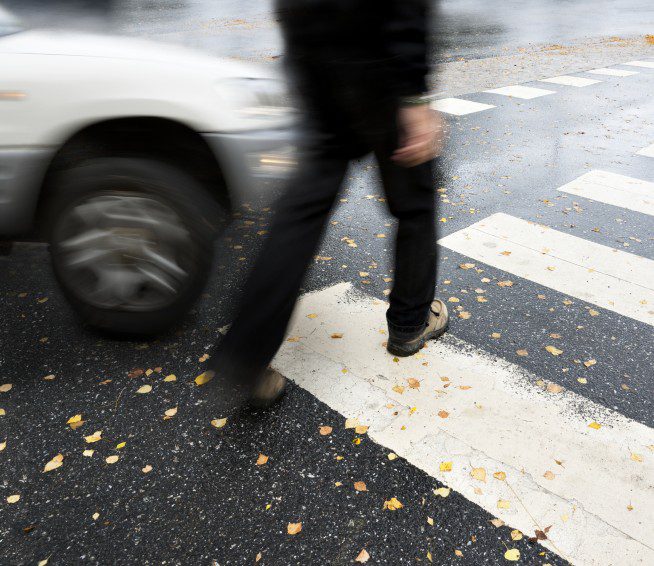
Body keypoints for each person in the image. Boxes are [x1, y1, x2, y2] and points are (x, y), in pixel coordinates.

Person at [208, 0, 448, 407]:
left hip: (314, 55)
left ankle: (245, 356)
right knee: (415, 202)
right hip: (377, 59)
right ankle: (410, 323)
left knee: (301, 213)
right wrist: (413, 96)